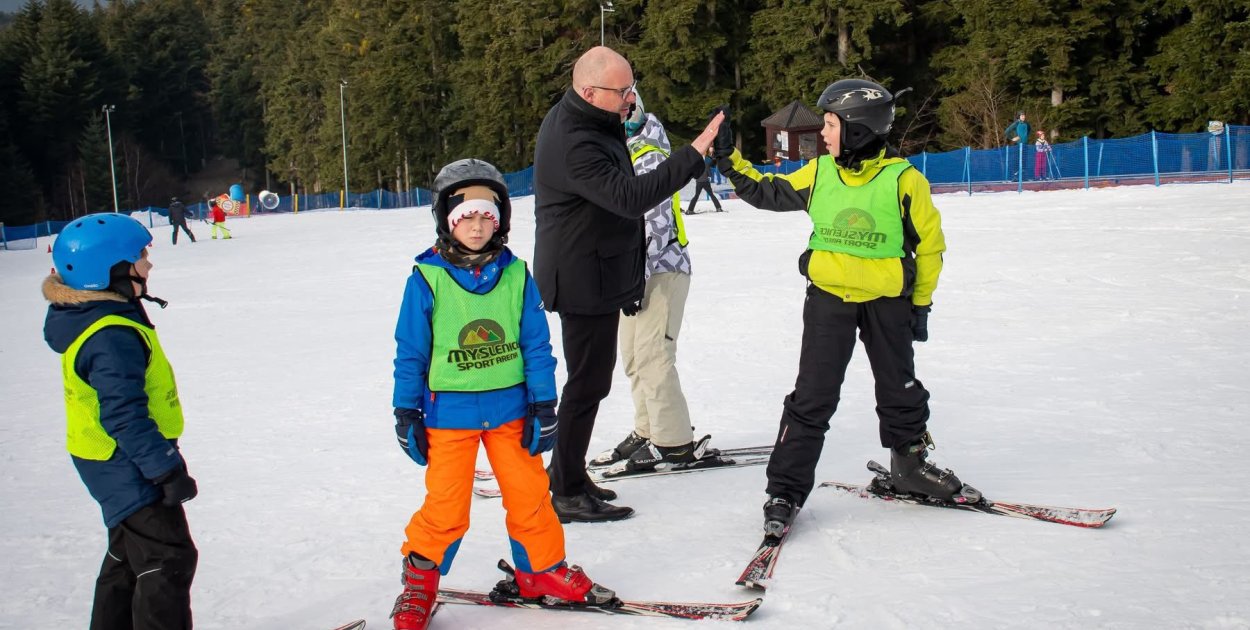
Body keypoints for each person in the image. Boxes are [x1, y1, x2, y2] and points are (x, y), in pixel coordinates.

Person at [710, 78, 968, 538]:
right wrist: (729, 159)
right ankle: (785, 491)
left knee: (900, 388)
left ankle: (910, 467)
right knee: (812, 397)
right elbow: (766, 190)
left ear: (858, 128)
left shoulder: (904, 180)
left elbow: (930, 248)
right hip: (828, 302)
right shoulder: (820, 173)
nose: (823, 134)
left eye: (830, 124)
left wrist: (921, 305)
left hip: (887, 303)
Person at [389, 159, 615, 630]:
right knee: (446, 506)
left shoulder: (515, 275)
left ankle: (541, 572)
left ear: (501, 221)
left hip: (511, 412)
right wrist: (406, 411)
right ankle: (420, 580)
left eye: (486, 216)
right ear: (447, 220)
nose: (476, 226)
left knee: (531, 495)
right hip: (449, 416)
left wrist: (544, 405)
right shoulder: (427, 278)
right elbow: (411, 351)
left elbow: (536, 345)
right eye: (465, 216)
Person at [531, 46, 723, 523]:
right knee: (586, 385)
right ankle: (565, 491)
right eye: (621, 91)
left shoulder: (591, 118)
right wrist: (692, 155)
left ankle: (568, 474)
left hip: (598, 269)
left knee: (590, 382)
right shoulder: (575, 139)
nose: (630, 98)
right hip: (582, 277)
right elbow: (630, 197)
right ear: (588, 91)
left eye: (631, 87)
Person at [42, 212, 198, 629]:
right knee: (167, 557)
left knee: (130, 556)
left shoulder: (97, 314)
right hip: (126, 460)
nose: (148, 264)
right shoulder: (109, 334)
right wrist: (165, 469)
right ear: (109, 269)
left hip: (108, 459)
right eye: (140, 256)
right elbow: (124, 414)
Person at [592, 88, 699, 471]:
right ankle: (648, 429)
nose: (622, 114)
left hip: (661, 269)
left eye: (628, 107)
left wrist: (637, 278)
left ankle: (673, 442)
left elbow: (656, 221)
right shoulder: (618, 151)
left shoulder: (648, 152)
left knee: (654, 356)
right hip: (634, 274)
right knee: (634, 357)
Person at [1004, 111, 1031, 179]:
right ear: (1019, 117)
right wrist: (1013, 138)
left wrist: (1025, 136)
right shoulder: (1016, 123)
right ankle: (1015, 176)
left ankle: (1023, 176)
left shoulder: (1027, 123)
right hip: (1018, 145)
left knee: (1024, 160)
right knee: (1017, 161)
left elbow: (1029, 130)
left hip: (1025, 145)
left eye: (1024, 115)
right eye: (1022, 116)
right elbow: (1007, 131)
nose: (1023, 117)